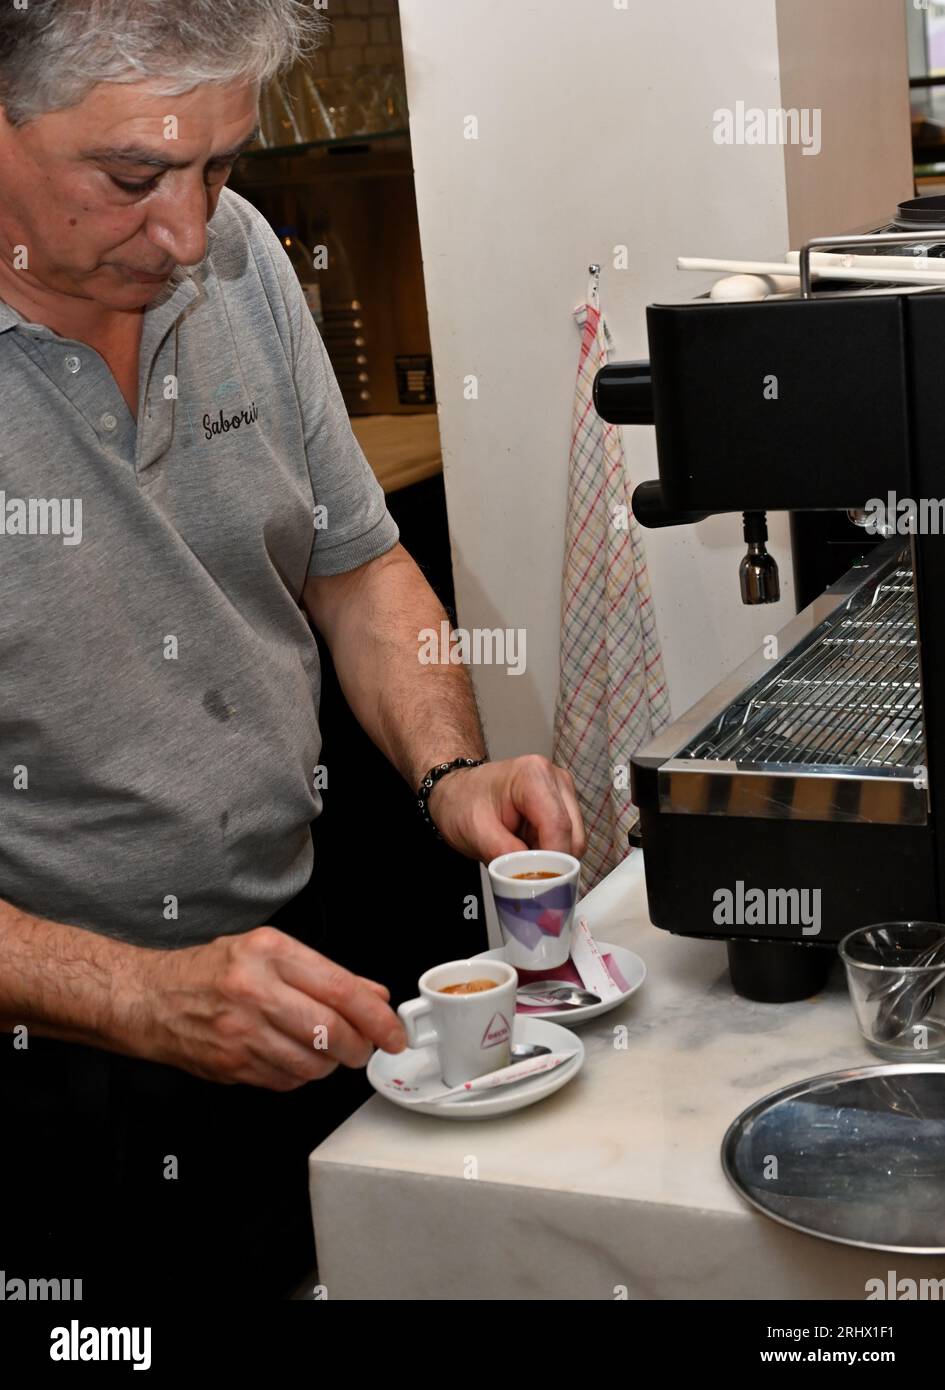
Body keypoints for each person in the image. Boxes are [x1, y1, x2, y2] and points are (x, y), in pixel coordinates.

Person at [0, 1, 586, 1299]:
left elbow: (354, 564)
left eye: (221, 164)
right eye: (135, 175)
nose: (190, 230)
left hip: (283, 973)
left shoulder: (240, 258)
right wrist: (137, 995)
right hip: (49, 1061)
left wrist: (448, 772)